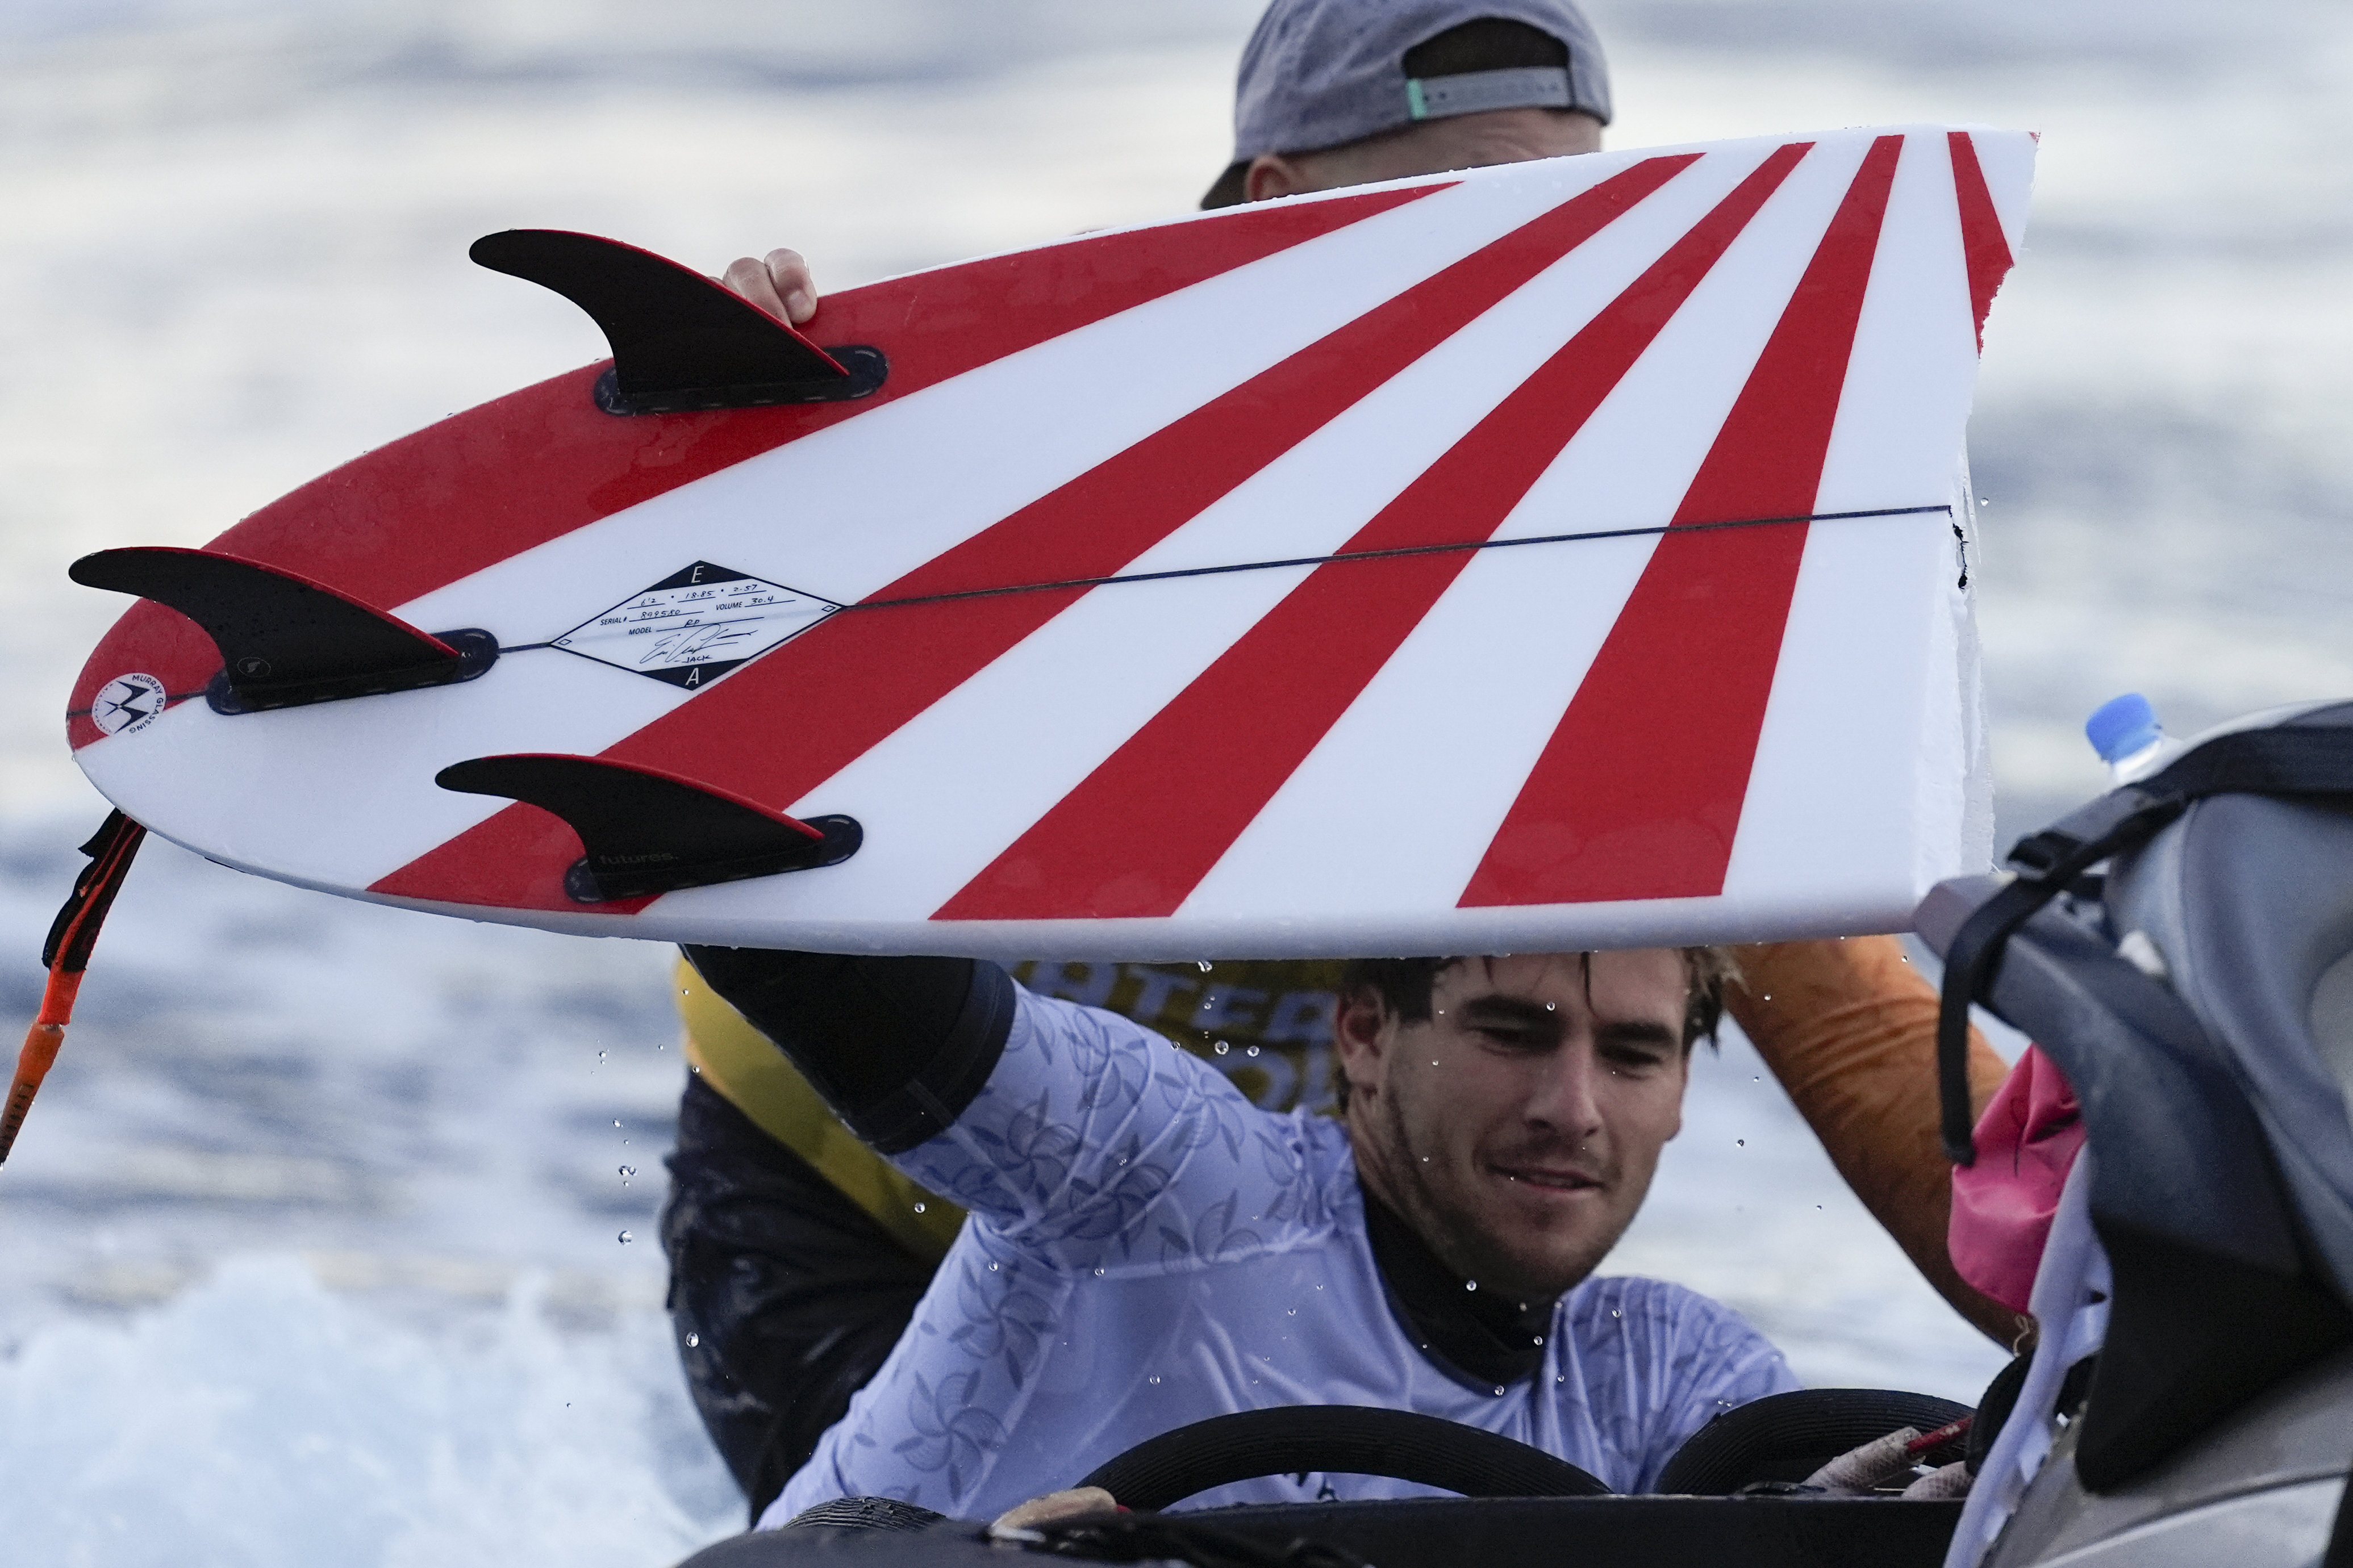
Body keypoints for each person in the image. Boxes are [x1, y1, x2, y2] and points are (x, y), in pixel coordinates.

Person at [664, 0, 2017, 1524]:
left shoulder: (1599, 614)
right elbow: (702, 691)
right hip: (844, 1186)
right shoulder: (1051, 486)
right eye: (1483, 217)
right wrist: (738, 478)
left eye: (1587, 224)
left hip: (1220, 1258)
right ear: (1276, 209)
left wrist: (2126, 1286)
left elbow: (1870, 1060)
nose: (1550, 285)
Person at [686, 942, 1796, 1521]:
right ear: (1363, 1034)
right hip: (800, 1200)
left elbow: (1839, 1510)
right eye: (1512, 1033)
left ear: (1683, 1093)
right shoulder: (1168, 1166)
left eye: (1633, 1055)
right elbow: (817, 973)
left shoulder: (1665, 1366)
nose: (1574, 1107)